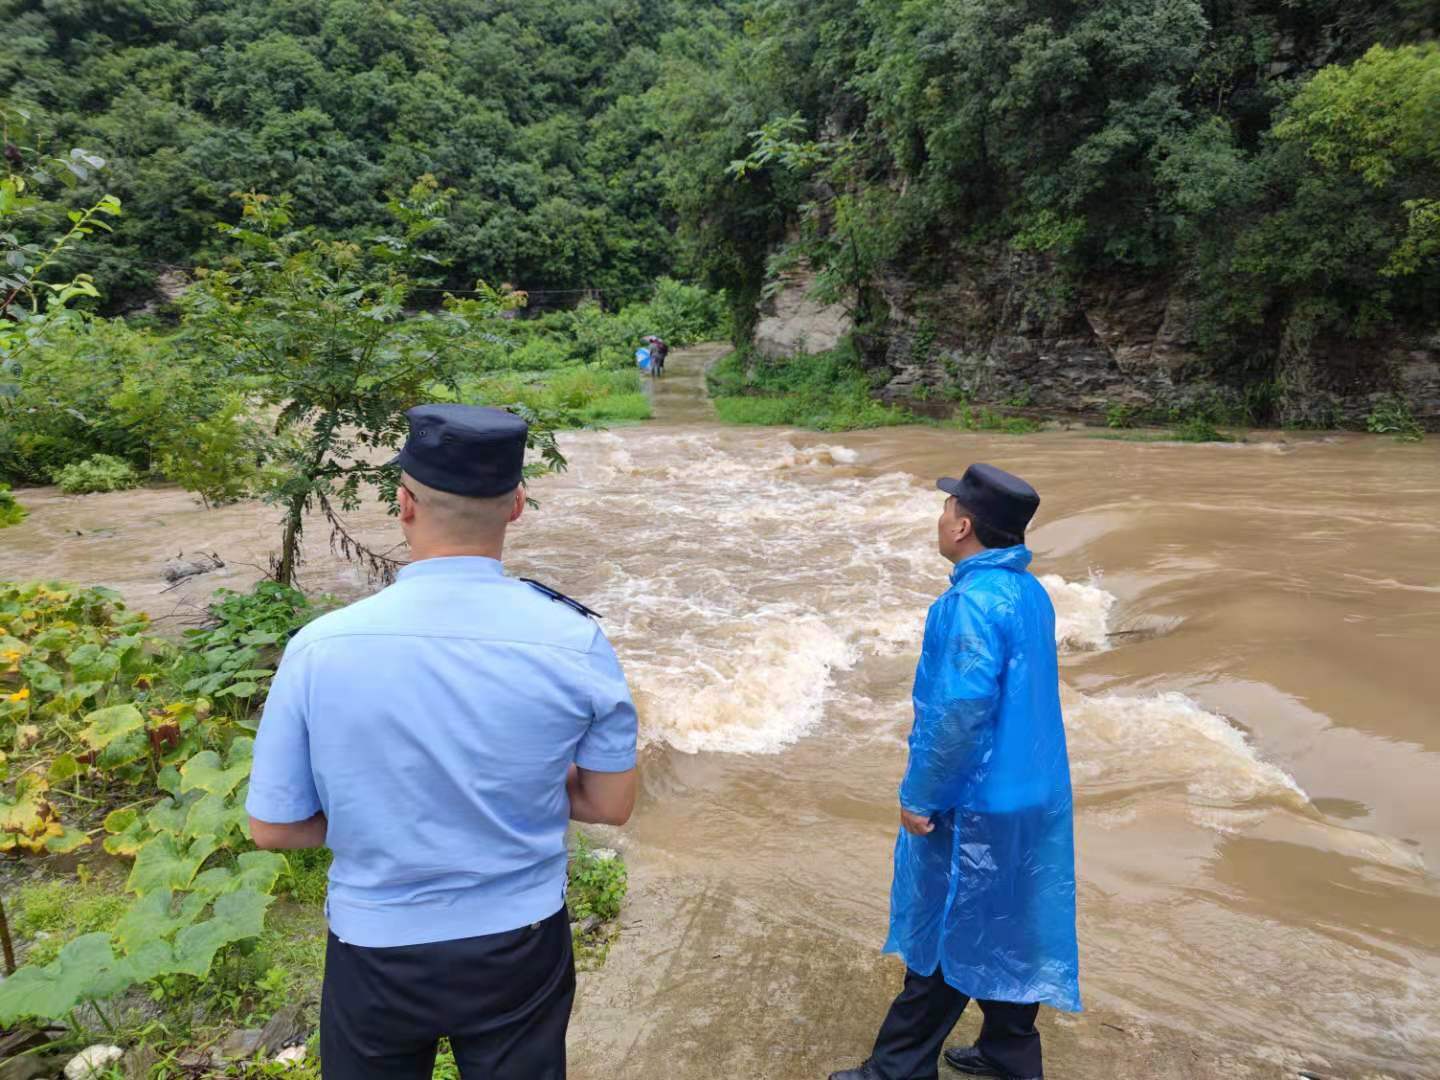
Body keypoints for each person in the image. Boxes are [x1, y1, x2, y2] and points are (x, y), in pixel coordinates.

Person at [246, 403, 639, 1080]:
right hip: (520, 942)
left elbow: (274, 828)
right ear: (516, 505)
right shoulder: (575, 641)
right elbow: (609, 805)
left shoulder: (321, 648)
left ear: (403, 503)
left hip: (375, 945)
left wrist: (378, 811)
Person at [831, 463, 1080, 1080]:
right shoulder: (1030, 592)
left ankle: (898, 1069)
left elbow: (958, 714)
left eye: (947, 510)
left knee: (949, 931)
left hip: (977, 803)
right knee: (1009, 921)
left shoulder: (967, 603)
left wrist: (922, 794)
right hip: (1033, 791)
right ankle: (1008, 1055)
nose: (940, 518)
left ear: (964, 526)